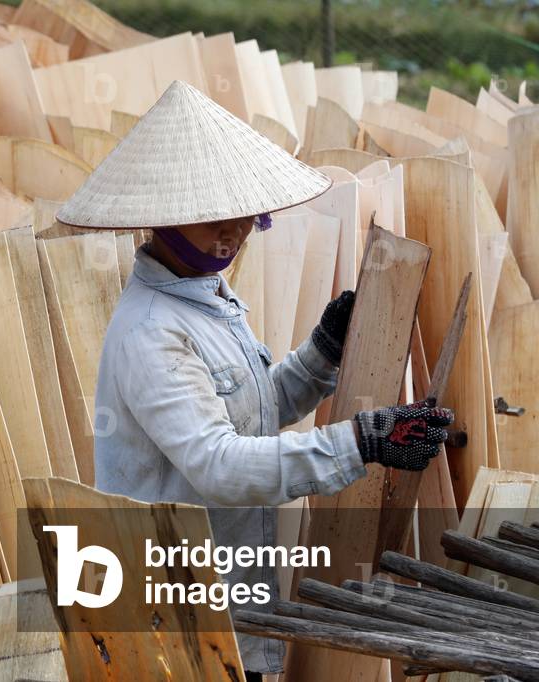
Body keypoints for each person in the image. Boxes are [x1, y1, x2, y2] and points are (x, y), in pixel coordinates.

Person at [55, 81, 454, 679]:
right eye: (214, 216)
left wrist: (319, 356)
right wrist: (362, 441)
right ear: (167, 216)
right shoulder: (153, 332)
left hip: (227, 606)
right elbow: (221, 463)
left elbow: (250, 412)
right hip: (179, 626)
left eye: (243, 213)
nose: (235, 230)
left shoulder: (205, 298)